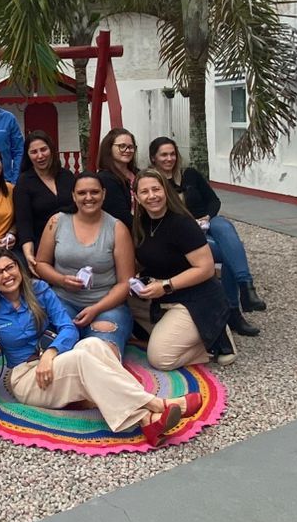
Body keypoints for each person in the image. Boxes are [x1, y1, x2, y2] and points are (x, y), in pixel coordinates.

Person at [0, 249, 201, 448]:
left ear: (19, 267)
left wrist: (51, 353)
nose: (6, 275)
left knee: (94, 344)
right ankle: (157, 403)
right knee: (81, 359)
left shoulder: (38, 290)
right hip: (26, 378)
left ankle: (147, 420)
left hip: (51, 360)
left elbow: (67, 327)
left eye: (10, 267)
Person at [148, 136, 266, 333]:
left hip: (207, 223)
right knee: (230, 254)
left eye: (172, 154)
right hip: (186, 233)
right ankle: (235, 308)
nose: (169, 159)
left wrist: (208, 217)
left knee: (224, 226)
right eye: (164, 155)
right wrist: (191, 224)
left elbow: (214, 201)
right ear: (154, 158)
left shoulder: (190, 174)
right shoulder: (154, 183)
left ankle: (246, 289)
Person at [129, 169, 234, 369]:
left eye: (156, 189)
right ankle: (194, 331)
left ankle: (214, 337)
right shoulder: (141, 224)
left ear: (166, 191)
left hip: (197, 299)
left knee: (160, 358)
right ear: (136, 196)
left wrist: (166, 285)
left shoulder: (182, 223)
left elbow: (206, 268)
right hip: (163, 297)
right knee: (120, 303)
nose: (152, 196)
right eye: (144, 192)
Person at [34, 171, 134, 360]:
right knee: (47, 346)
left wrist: (96, 309)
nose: (89, 198)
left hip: (106, 305)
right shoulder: (57, 221)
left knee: (103, 354)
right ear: (73, 195)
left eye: (94, 192)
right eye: (82, 193)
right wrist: (62, 280)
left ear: (103, 194)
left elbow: (125, 282)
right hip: (62, 300)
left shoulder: (117, 228)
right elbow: (41, 264)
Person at [13, 130, 77, 275]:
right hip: (41, 242)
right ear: (28, 156)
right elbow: (24, 223)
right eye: (34, 152)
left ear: (52, 150)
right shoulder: (24, 182)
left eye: (43, 149)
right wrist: (29, 254)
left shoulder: (67, 176)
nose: (40, 156)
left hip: (72, 238)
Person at [97, 128, 139, 230]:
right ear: (109, 148)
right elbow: (120, 215)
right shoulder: (105, 179)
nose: (128, 150)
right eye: (122, 146)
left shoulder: (138, 173)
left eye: (131, 147)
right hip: (124, 233)